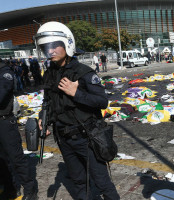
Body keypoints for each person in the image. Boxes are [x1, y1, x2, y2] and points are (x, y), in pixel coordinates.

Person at [34, 21, 120, 200]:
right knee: (78, 181)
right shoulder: (49, 73)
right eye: (45, 47)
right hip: (63, 138)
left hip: (85, 137)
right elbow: (48, 100)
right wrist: (45, 119)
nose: (50, 51)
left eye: (54, 46)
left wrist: (76, 93)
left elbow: (102, 101)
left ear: (67, 45)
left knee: (102, 181)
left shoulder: (84, 72)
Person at [0, 58, 38, 200]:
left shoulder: (4, 73)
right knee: (2, 160)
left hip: (4, 122)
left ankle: (30, 190)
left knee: (16, 159)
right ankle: (10, 188)